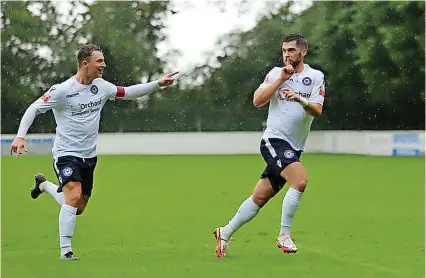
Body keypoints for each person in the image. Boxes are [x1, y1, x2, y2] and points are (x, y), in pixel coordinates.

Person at [9, 44, 179, 261]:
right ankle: (66, 250)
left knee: (77, 206)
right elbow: (34, 108)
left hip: (89, 156)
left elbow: (127, 93)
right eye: (99, 61)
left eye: (103, 61)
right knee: (73, 195)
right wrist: (20, 136)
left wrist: (158, 84)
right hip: (65, 153)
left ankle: (44, 186)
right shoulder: (62, 90)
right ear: (84, 63)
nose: (103, 65)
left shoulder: (102, 86)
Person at [213, 34, 325, 257]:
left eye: (291, 50)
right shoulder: (276, 73)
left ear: (303, 51)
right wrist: (281, 80)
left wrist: (299, 99)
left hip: (294, 147)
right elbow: (257, 101)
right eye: (284, 50)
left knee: (260, 197)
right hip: (274, 140)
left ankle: (224, 232)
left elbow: (317, 110)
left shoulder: (315, 76)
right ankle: (284, 235)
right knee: (300, 181)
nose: (286, 54)